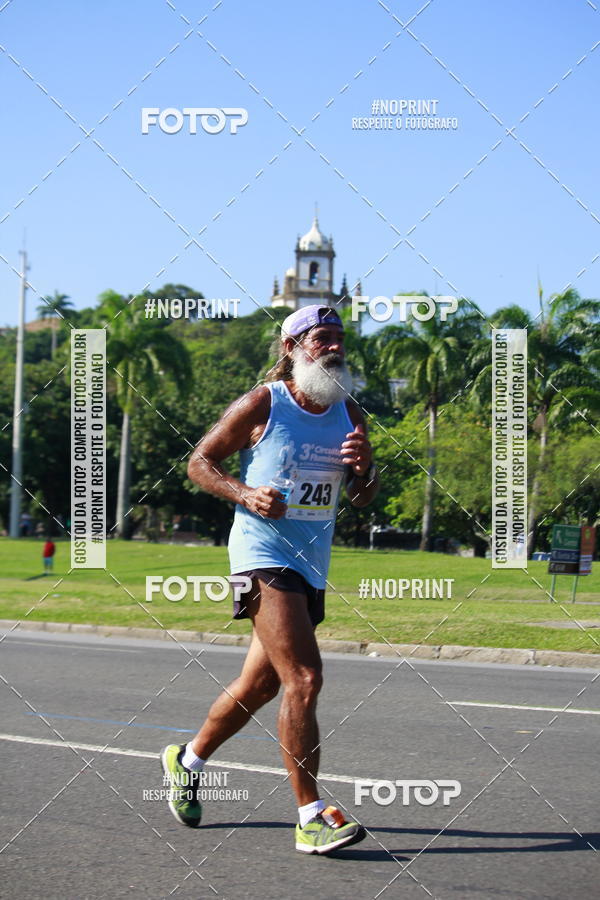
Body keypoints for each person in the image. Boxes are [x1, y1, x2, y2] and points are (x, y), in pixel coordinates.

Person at [161, 304, 380, 854]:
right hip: (260, 553)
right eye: (321, 338)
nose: (333, 348)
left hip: (311, 563)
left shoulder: (349, 412)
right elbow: (199, 463)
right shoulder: (264, 403)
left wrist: (366, 469)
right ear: (292, 348)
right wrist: (247, 494)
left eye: (339, 339)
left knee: (262, 685)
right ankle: (309, 816)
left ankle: (186, 761)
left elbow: (363, 498)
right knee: (304, 678)